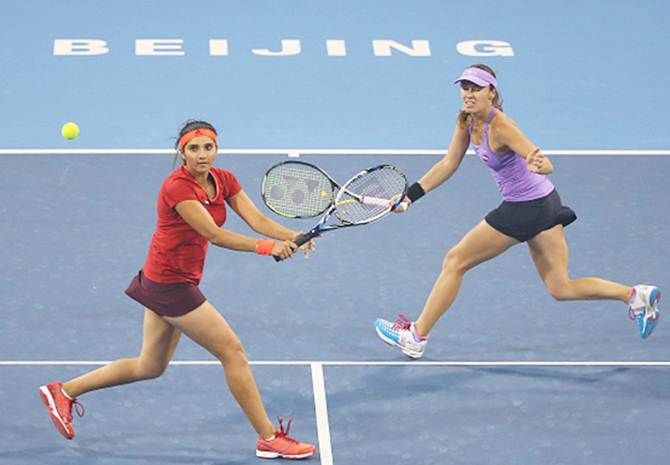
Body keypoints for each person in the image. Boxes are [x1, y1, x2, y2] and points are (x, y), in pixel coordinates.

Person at [39, 120, 317, 459]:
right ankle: (268, 437)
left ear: (217, 148)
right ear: (182, 152)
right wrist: (268, 248)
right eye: (194, 149)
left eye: (208, 147)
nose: (202, 155)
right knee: (233, 352)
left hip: (164, 278)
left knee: (149, 366)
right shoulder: (177, 187)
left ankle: (63, 391)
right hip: (171, 283)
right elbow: (214, 235)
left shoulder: (224, 179)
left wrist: (290, 236)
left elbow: (256, 220)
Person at [375, 64, 661, 359]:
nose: (469, 94)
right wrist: (410, 196)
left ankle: (416, 336)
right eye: (465, 87)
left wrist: (541, 165)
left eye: (476, 88)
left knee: (455, 261)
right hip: (546, 203)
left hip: (527, 207)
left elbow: (542, 160)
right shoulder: (465, 121)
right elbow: (449, 164)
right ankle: (634, 296)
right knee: (560, 287)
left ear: (492, 93)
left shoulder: (501, 127)